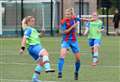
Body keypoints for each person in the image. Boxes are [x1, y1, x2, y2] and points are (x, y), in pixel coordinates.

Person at [19, 16, 55, 82]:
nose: (34, 22)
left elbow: (39, 36)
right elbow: (24, 38)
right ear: (28, 22)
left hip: (32, 49)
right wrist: (22, 48)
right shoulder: (28, 29)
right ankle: (48, 68)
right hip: (34, 46)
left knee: (41, 63)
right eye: (32, 21)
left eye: (34, 21)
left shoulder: (33, 30)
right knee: (45, 53)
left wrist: (42, 32)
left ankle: (34, 79)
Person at [57, 8, 81, 80]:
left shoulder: (74, 18)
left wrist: (91, 20)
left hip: (74, 41)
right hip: (65, 40)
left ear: (71, 15)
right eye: (66, 14)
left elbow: (81, 19)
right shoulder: (63, 21)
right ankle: (60, 72)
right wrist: (73, 26)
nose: (66, 15)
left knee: (78, 59)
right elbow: (65, 32)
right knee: (62, 56)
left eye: (68, 14)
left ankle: (76, 72)